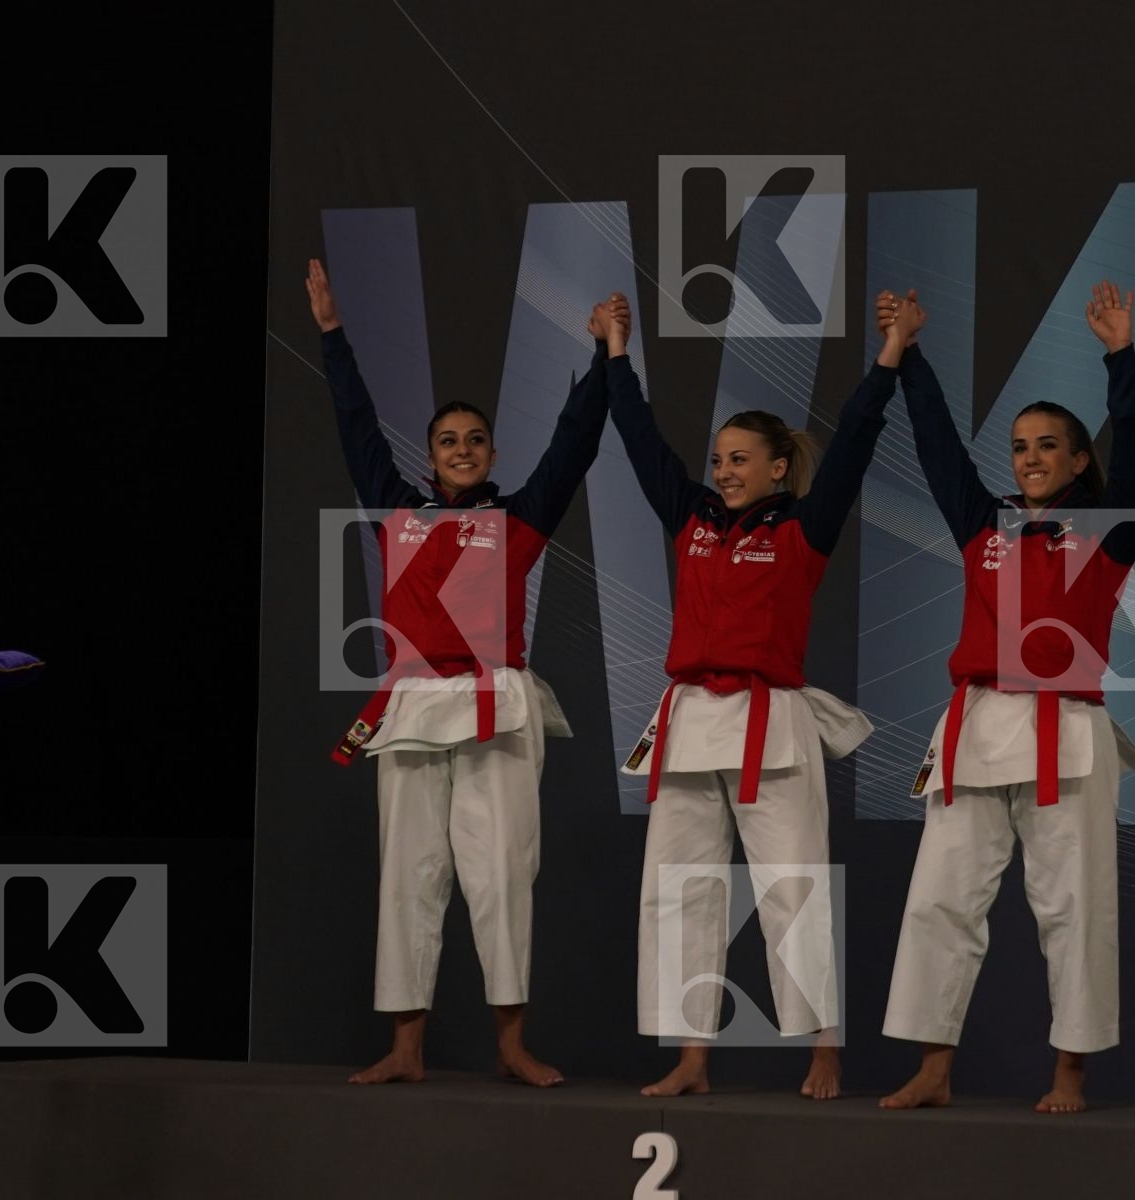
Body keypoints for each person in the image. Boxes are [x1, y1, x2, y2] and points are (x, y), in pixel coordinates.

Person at [306, 259, 619, 1086]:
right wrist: (333, 335)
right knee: (410, 874)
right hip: (411, 707)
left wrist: (601, 358)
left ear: (491, 452)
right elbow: (355, 424)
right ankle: (406, 1047)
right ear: (432, 455)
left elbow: (574, 444)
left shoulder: (519, 516)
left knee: (502, 872)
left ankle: (511, 1043)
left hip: (496, 706)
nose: (463, 450)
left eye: (476, 439)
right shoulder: (394, 508)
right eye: (449, 440)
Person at [605, 293, 909, 1100]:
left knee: (792, 887)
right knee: (682, 892)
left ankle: (823, 1049)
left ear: (778, 467)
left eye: (741, 458)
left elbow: (852, 445)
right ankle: (695, 1059)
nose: (724, 470)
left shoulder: (802, 531)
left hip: (770, 728)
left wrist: (888, 359)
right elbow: (640, 442)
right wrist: (614, 355)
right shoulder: (692, 520)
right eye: (719, 458)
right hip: (689, 720)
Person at [875, 282, 1135, 1115]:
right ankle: (934, 1066)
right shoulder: (982, 523)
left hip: (1065, 733)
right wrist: (912, 356)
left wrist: (1120, 358)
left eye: (1048, 446)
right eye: (1021, 446)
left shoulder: (1109, 528)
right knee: (939, 901)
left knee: (1073, 910)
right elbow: (936, 448)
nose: (1030, 457)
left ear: (1078, 462)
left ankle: (1068, 1073)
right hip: (975, 725)